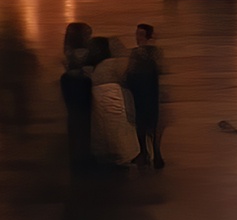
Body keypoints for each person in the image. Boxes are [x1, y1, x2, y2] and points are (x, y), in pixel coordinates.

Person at [88, 37, 137, 166]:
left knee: (106, 127)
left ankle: (112, 155)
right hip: (111, 96)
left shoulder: (99, 67)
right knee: (115, 126)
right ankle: (120, 154)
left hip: (102, 97)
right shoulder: (114, 63)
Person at [126, 24, 164, 166]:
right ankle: (148, 152)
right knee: (144, 123)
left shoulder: (143, 53)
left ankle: (151, 152)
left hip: (149, 90)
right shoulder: (149, 52)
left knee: (150, 123)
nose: (138, 38)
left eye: (141, 34)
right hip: (143, 91)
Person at [60, 21, 93, 171]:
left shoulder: (67, 51)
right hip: (80, 84)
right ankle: (84, 156)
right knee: (84, 121)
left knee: (73, 119)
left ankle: (75, 155)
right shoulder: (83, 53)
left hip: (68, 83)